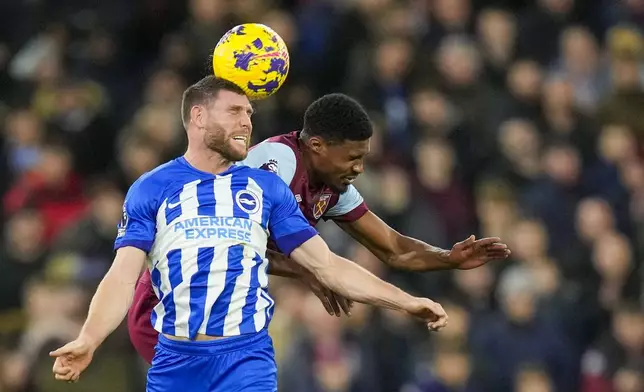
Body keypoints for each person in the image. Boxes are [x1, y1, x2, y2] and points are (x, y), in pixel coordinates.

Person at [49, 76, 449, 391]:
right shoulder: (152, 188)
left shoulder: (265, 188)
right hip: (174, 359)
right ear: (199, 117)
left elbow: (326, 264)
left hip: (246, 358)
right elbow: (121, 276)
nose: (247, 122)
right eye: (235, 111)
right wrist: (89, 338)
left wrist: (407, 301)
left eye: (250, 113)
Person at [128, 92, 512, 364]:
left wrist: (448, 258)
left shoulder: (331, 187)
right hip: (174, 304)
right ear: (316, 145)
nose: (359, 168)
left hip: (227, 315)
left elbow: (394, 248)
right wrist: (309, 271)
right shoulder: (276, 164)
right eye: (352, 157)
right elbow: (232, 243)